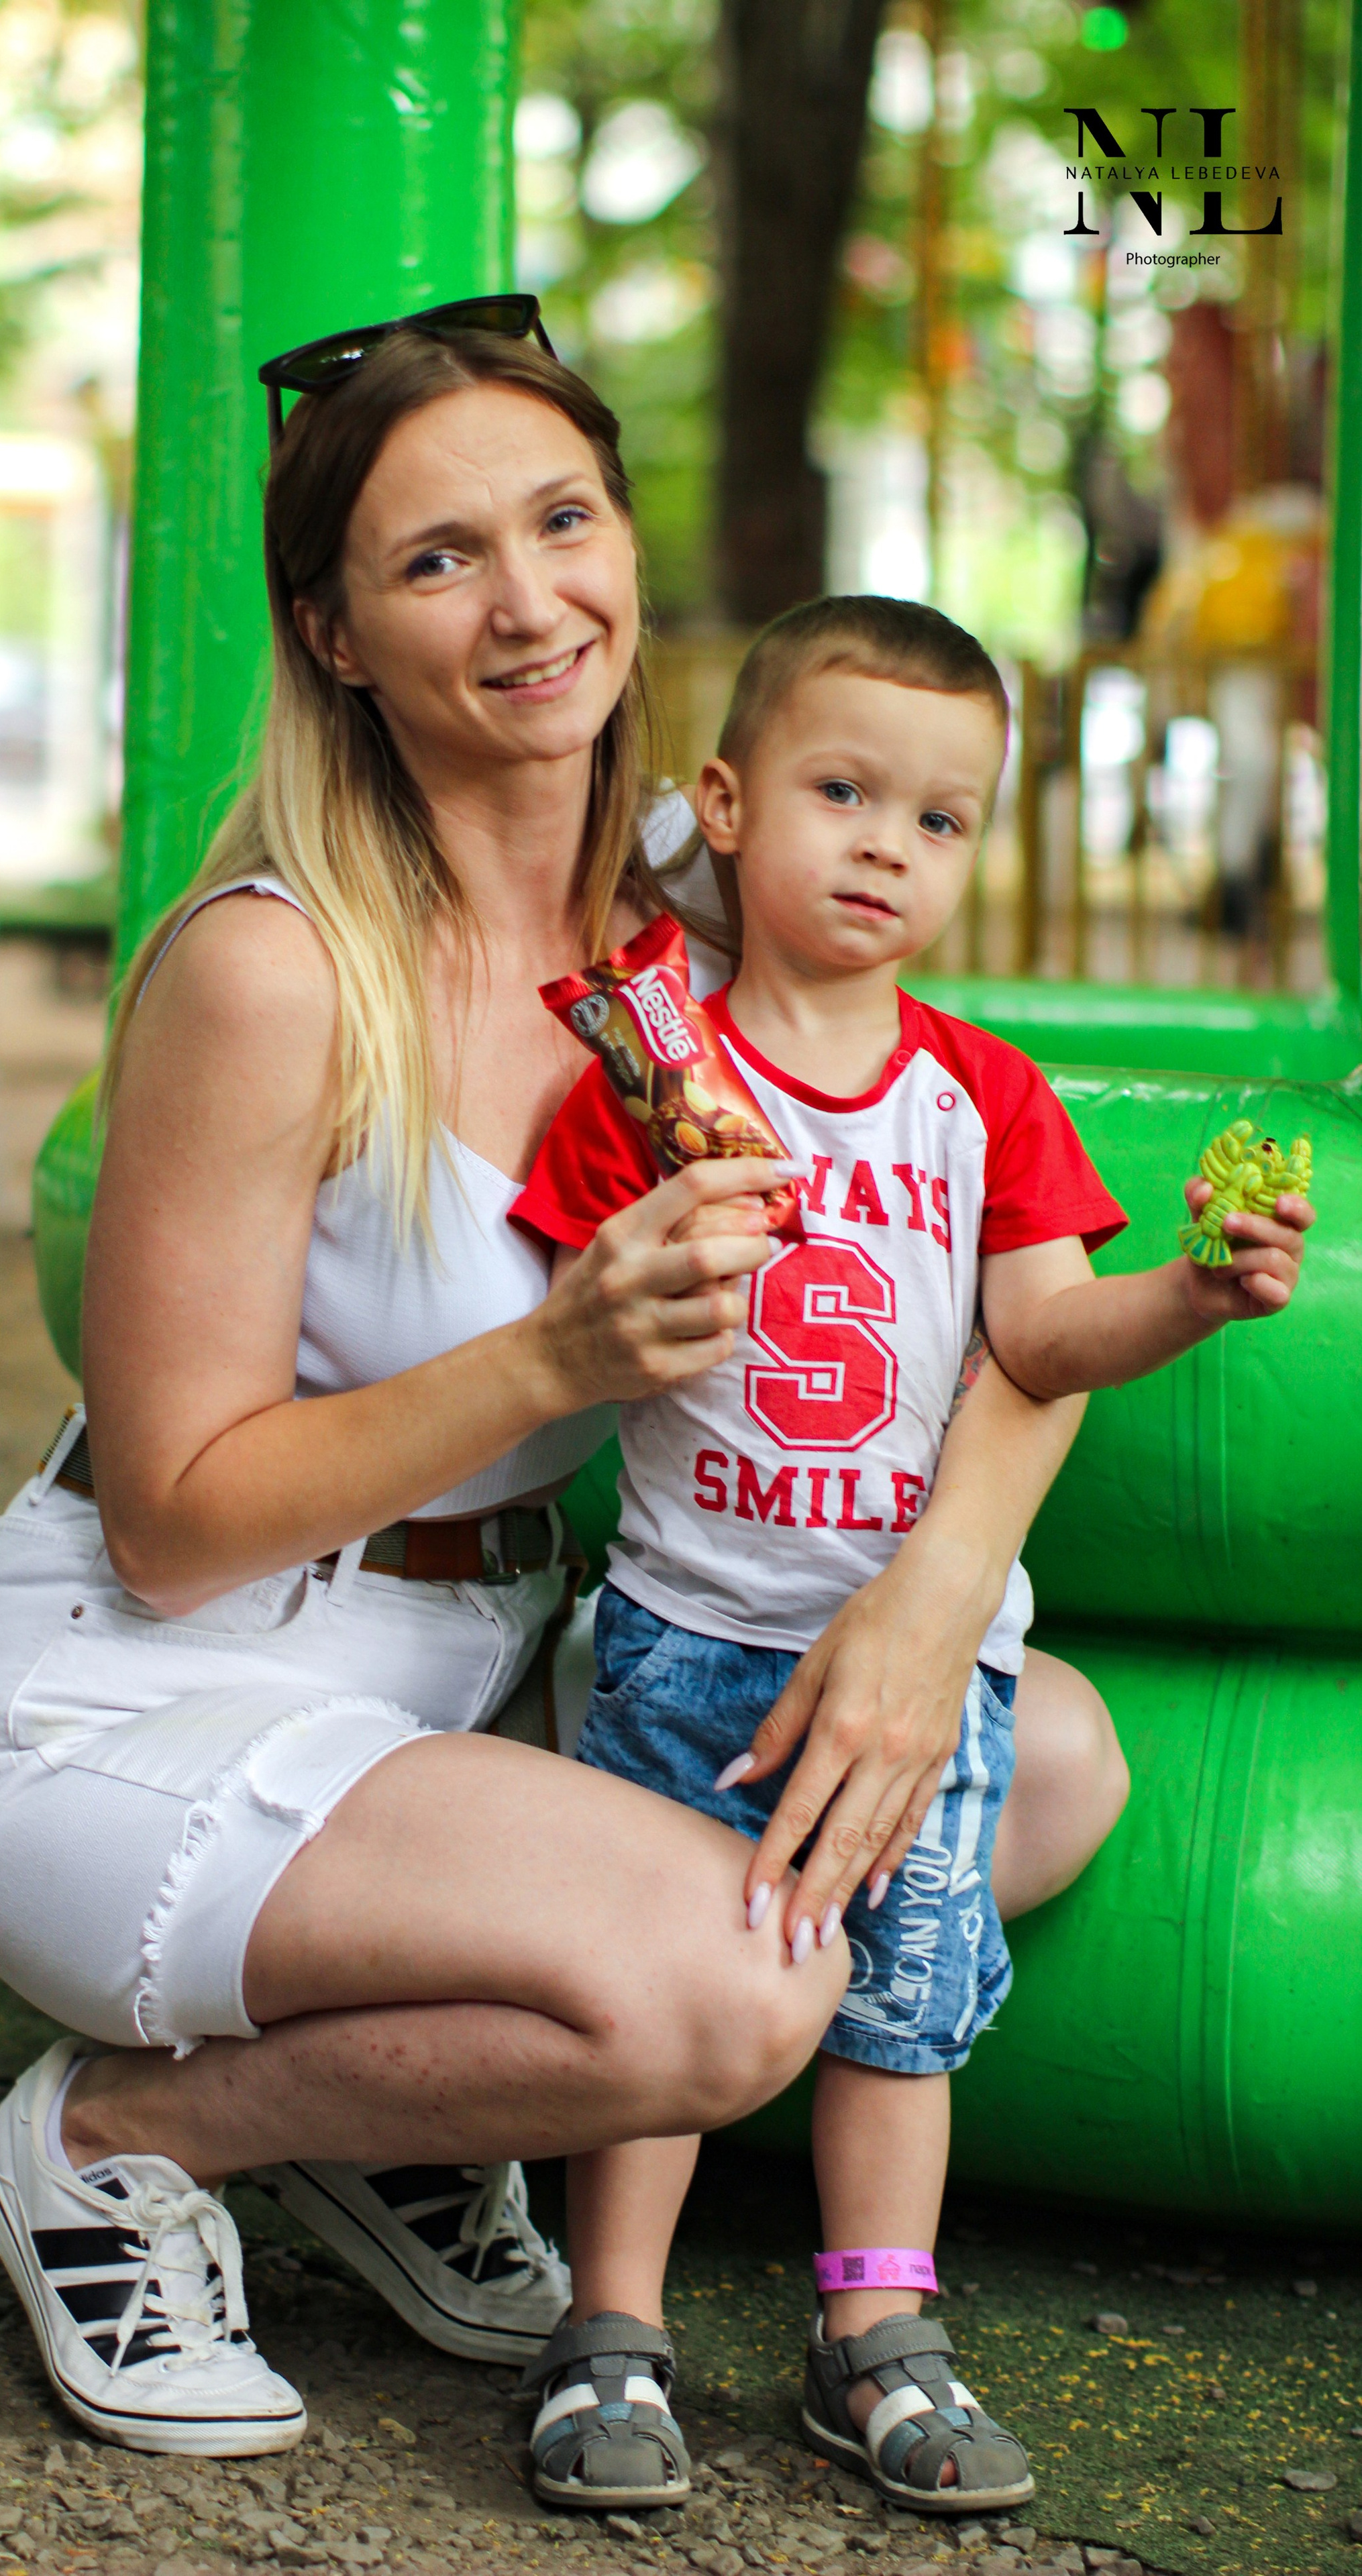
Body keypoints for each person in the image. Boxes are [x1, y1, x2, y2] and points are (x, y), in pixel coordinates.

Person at [0, 301, 1127, 2464]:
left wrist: (934, 1606)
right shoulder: (276, 966)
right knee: (744, 1984)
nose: (529, 598)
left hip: (469, 1667)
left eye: (563, 519)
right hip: (164, 1684)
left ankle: (407, 2114)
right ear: (343, 636)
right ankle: (123, 2136)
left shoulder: (700, 912)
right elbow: (179, 1514)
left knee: (1039, 1770)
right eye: (438, 558)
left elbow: (990, 1208)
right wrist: (551, 1354)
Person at [511, 594, 1316, 2516]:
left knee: (902, 1997)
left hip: (924, 1670)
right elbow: (555, 1307)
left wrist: (1191, 1300)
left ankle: (876, 2330)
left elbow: (1043, 1345)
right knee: (675, 1968)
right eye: (842, 790)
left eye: (941, 820)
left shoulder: (984, 1098)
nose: (887, 843)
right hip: (685, 1631)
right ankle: (608, 2322)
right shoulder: (652, 1069)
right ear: (725, 803)